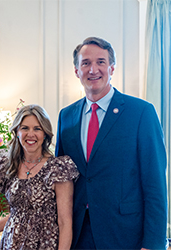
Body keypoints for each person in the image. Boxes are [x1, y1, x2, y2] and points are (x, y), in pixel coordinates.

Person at [55, 37, 168, 250]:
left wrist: (153, 244)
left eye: (100, 62)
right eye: (86, 63)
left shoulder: (141, 113)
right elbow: (61, 178)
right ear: (77, 71)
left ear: (112, 68)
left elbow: (155, 185)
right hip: (78, 234)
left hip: (125, 234)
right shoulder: (66, 116)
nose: (93, 69)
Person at [0, 104, 79, 250]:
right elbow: (17, 215)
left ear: (45, 134)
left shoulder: (58, 168)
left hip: (45, 245)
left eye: (37, 128)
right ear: (17, 132)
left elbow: (65, 222)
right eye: (25, 128)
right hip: (11, 244)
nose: (31, 134)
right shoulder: (8, 166)